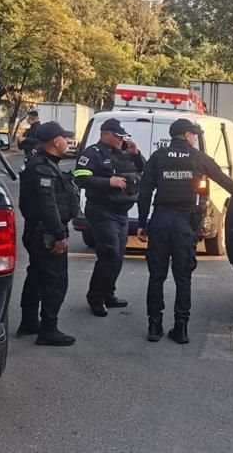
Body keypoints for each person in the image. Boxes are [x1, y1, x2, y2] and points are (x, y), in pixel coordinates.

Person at [137, 118, 233, 344]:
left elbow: (145, 192)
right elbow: (223, 180)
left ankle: (154, 326)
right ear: (187, 135)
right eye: (194, 135)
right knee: (183, 277)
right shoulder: (199, 158)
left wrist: (142, 223)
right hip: (184, 224)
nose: (195, 138)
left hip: (160, 221)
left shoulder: (158, 157)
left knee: (156, 277)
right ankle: (181, 328)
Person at [72, 118, 146, 317]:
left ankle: (108, 294)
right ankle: (95, 297)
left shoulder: (124, 153)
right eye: (118, 136)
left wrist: (136, 154)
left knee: (118, 256)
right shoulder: (92, 154)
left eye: (123, 136)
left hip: (121, 211)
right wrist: (108, 182)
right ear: (105, 134)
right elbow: (80, 177)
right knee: (109, 253)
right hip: (101, 210)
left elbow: (143, 170)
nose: (121, 139)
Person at [17, 121, 80, 346]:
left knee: (36, 275)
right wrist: (59, 235)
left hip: (38, 231)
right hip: (46, 233)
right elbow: (48, 205)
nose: (67, 142)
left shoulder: (45, 164)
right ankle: (48, 329)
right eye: (65, 138)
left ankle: (29, 321)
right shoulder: (42, 167)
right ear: (56, 141)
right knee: (55, 281)